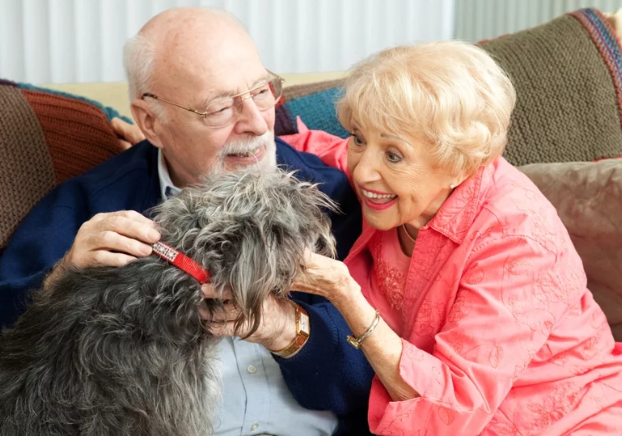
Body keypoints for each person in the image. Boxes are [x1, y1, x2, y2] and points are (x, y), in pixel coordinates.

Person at [0, 8, 373, 436]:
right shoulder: (88, 206)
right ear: (150, 122)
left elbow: (377, 381)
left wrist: (284, 327)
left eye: (262, 91)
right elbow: (13, 350)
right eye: (218, 107)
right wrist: (59, 282)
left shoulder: (334, 197)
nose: (256, 123)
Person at [286, 40, 622, 435]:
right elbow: (328, 149)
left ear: (458, 164)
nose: (362, 172)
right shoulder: (400, 180)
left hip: (563, 420)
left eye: (393, 154)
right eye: (360, 137)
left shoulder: (518, 237)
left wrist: (345, 294)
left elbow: (454, 411)